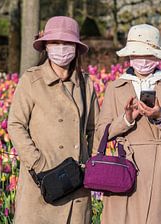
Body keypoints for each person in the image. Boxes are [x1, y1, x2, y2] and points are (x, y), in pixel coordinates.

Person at [95, 24, 161, 224]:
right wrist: (127, 119)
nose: (143, 60)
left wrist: (160, 116)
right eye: (137, 54)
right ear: (129, 56)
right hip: (126, 167)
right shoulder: (115, 87)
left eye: (149, 54)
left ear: (157, 56)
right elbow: (101, 133)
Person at [8, 16, 99, 224]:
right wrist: (38, 162)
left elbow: (95, 128)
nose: (61, 48)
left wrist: (91, 163)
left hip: (76, 183)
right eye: (55, 43)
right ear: (46, 46)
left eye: (67, 43)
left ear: (76, 47)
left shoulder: (85, 84)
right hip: (44, 180)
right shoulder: (32, 80)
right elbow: (15, 124)